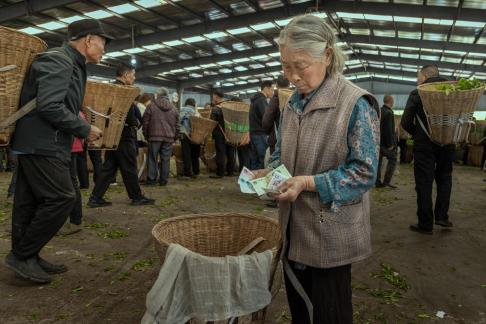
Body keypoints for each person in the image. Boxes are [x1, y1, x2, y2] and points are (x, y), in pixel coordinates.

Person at [254, 15, 380, 323]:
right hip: (294, 227)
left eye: (301, 65)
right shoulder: (292, 104)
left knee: (328, 312)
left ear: (326, 54)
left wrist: (308, 183)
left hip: (330, 233)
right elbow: (283, 154)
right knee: (301, 308)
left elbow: (364, 172)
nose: (293, 76)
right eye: (285, 66)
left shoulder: (355, 104)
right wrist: (270, 173)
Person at [6, 19, 107, 283]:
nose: (103, 50)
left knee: (28, 202)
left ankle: (27, 256)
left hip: (39, 142)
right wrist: (84, 128)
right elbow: (50, 106)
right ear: (88, 40)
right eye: (102, 44)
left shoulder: (69, 62)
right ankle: (22, 254)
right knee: (62, 198)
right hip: (43, 142)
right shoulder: (59, 60)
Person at [88, 63, 154, 207]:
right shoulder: (124, 91)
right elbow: (128, 115)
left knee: (109, 168)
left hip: (114, 133)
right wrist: (135, 123)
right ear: (125, 75)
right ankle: (136, 197)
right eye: (133, 74)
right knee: (129, 166)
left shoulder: (111, 89)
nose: (134, 78)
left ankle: (95, 197)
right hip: (124, 134)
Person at [401, 65, 454, 234]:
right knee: (445, 178)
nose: (418, 80)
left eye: (418, 77)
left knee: (424, 183)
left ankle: (425, 223)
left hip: (425, 144)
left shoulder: (418, 92)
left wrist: (417, 134)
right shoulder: (453, 91)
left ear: (424, 76)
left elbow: (406, 121)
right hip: (448, 141)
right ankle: (442, 217)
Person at [143, 87, 179, 186]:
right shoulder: (174, 108)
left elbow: (145, 123)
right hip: (168, 138)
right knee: (166, 159)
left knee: (152, 158)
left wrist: (146, 135)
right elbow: (177, 125)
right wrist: (175, 137)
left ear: (157, 95)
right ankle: (163, 180)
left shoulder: (150, 106)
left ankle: (151, 180)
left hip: (154, 137)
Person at [210, 90, 236, 178]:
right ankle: (230, 172)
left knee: (220, 153)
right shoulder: (230, 106)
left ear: (216, 97)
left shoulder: (216, 109)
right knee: (230, 152)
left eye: (213, 96)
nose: (213, 98)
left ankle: (220, 172)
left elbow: (212, 122)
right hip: (231, 132)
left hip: (219, 133)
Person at [249, 80, 274, 170]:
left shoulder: (254, 100)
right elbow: (266, 117)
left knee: (254, 159)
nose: (272, 92)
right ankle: (259, 182)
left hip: (253, 133)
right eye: (272, 90)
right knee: (261, 159)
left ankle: (252, 180)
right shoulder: (261, 100)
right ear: (266, 89)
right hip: (260, 134)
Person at [263, 75, 290, 155]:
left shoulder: (275, 99)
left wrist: (268, 132)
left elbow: (266, 121)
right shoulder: (293, 97)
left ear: (277, 85)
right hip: (292, 141)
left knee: (277, 166)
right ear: (289, 85)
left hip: (277, 141)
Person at [376, 95, 398, 188]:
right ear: (391, 101)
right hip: (385, 144)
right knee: (393, 159)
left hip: (378, 142)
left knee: (378, 162)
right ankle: (386, 182)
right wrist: (390, 144)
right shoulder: (389, 113)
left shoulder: (379, 111)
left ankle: (377, 182)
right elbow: (388, 130)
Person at [180, 98, 201, 178]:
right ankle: (196, 171)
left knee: (186, 154)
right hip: (196, 135)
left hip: (185, 134)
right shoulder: (196, 112)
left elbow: (178, 121)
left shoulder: (183, 110)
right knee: (195, 154)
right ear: (194, 104)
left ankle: (188, 172)